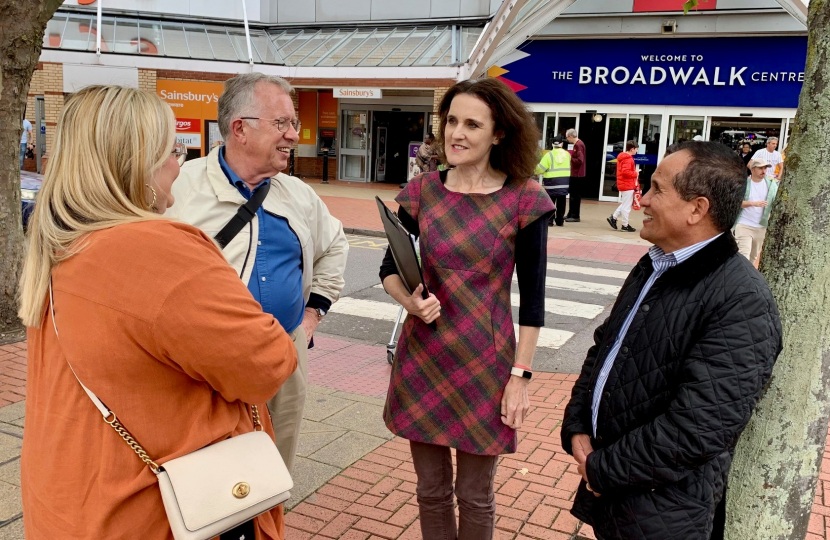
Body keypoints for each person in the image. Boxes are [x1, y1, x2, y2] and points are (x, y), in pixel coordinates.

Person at [18, 85, 298, 539]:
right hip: (154, 510)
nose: (180, 162)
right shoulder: (157, 249)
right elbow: (266, 365)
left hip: (71, 499)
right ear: (137, 162)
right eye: (172, 148)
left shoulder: (61, 241)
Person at [561, 141, 782, 540]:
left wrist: (601, 469)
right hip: (618, 491)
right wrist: (578, 424)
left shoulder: (742, 299)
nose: (642, 199)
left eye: (657, 189)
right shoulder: (655, 263)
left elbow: (699, 427)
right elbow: (605, 347)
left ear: (697, 209)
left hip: (664, 511)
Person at [379, 78, 554, 540]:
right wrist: (411, 306)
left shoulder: (525, 200)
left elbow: (534, 303)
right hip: (424, 358)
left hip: (487, 365)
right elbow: (390, 269)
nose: (456, 133)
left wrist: (520, 378)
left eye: (472, 124)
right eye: (451, 121)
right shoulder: (420, 194)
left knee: (475, 495)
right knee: (430, 490)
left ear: (498, 134)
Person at [168, 73, 349, 475]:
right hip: (206, 366)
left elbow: (336, 245)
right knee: (207, 474)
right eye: (281, 123)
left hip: (285, 353)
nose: (294, 135)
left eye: (293, 123)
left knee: (273, 470)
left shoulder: (297, 193)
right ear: (240, 129)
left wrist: (313, 314)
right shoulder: (179, 190)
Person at [735, 158, 778, 267]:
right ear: (753, 169)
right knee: (743, 254)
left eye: (765, 168)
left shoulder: (772, 185)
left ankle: (746, 280)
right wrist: (753, 204)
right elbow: (736, 203)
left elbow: (776, 203)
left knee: (753, 257)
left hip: (761, 226)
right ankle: (739, 279)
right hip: (744, 224)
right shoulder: (743, 184)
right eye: (760, 168)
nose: (763, 171)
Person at [536, 135, 570, 226]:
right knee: (562, 202)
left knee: (550, 202)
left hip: (551, 182)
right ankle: (560, 221)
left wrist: (535, 171)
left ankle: (549, 221)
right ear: (562, 144)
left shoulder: (549, 155)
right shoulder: (567, 154)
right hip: (564, 182)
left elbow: (540, 168)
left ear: (552, 144)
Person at [607, 140, 639, 233]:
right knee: (626, 206)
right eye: (636, 149)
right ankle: (625, 225)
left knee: (625, 203)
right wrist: (636, 173)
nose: (636, 151)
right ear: (632, 149)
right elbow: (626, 172)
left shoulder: (623, 157)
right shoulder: (628, 159)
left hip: (624, 184)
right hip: (627, 184)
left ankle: (613, 217)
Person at [565, 128, 586, 222]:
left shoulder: (578, 145)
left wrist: (570, 158)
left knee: (575, 195)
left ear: (570, 136)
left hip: (577, 174)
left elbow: (580, 160)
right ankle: (570, 213)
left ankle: (575, 215)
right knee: (573, 194)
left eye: (567, 137)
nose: (567, 139)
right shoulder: (577, 144)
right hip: (575, 173)